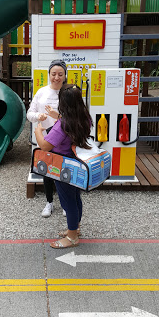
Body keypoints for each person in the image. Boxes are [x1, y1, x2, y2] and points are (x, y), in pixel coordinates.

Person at [34, 84, 93, 249]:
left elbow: (45, 146)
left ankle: (72, 237)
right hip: (78, 164)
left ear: (63, 103)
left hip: (63, 167)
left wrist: (38, 131)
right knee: (75, 197)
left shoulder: (63, 125)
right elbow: (71, 125)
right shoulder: (85, 118)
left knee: (68, 202)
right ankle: (75, 228)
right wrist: (58, 116)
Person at [27, 59, 67, 217]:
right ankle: (49, 202)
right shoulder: (41, 92)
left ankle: (66, 202)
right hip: (45, 138)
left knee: (64, 172)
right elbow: (29, 114)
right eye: (53, 74)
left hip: (64, 139)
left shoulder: (69, 92)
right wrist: (39, 115)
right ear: (49, 74)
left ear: (65, 75)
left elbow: (76, 118)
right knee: (47, 171)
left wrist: (58, 116)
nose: (56, 77)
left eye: (60, 74)